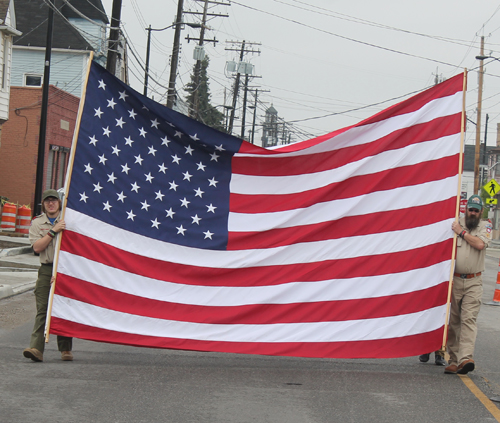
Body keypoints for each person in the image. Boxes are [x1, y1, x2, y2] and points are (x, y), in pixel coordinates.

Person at [22, 189, 73, 362]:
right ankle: (36, 348)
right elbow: (37, 248)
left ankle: (65, 349)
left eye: (54, 200)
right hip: (46, 269)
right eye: (47, 201)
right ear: (43, 204)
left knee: (63, 308)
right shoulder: (37, 223)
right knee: (43, 309)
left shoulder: (69, 221)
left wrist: (62, 272)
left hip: (64, 268)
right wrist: (53, 231)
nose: (51, 203)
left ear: (59, 203)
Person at [445, 194, 491, 375]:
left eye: (476, 211)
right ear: (466, 209)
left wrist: (462, 233)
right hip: (455, 280)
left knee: (469, 319)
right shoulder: (455, 224)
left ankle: (466, 358)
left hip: (474, 280)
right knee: (453, 321)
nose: (472, 213)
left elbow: (479, 245)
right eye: (470, 209)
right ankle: (454, 360)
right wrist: (457, 229)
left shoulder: (484, 227)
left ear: (481, 212)